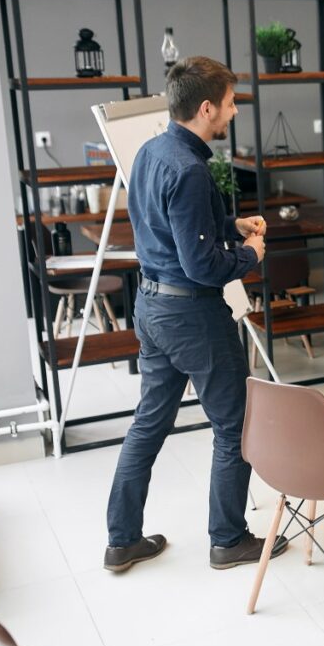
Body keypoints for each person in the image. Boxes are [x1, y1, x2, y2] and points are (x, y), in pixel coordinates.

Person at [104, 56, 288, 572]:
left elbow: (169, 226)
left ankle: (121, 541)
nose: (233, 112)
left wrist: (230, 224)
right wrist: (250, 254)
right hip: (192, 317)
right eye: (229, 104)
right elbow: (204, 266)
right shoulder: (189, 169)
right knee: (234, 425)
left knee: (148, 423)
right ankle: (229, 540)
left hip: (152, 308)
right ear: (206, 107)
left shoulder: (150, 151)